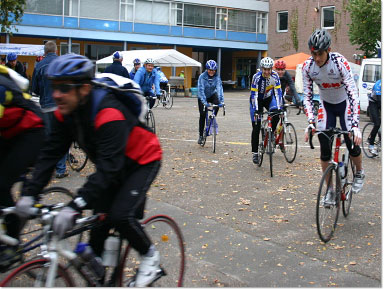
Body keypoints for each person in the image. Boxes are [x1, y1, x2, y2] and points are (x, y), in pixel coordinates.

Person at [14, 54, 163, 287]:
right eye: (54, 87)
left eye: (64, 88)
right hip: (112, 164)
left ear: (84, 88)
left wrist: (76, 206)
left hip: (141, 160)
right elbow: (49, 155)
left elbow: (108, 169)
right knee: (97, 232)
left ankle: (150, 258)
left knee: (120, 215)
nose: (56, 95)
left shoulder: (108, 112)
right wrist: (30, 193)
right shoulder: (66, 113)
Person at [303, 29, 365, 201]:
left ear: (328, 50)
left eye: (320, 53)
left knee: (352, 141)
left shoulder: (339, 63)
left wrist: (355, 125)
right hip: (326, 105)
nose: (317, 58)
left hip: (345, 103)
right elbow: (307, 96)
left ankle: (359, 172)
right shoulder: (308, 67)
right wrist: (310, 121)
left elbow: (353, 92)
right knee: (324, 149)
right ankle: (330, 190)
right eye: (313, 53)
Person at [0, 65, 45, 268]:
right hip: (9, 133)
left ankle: (13, 242)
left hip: (32, 132)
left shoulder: (1, 87)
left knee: (1, 184)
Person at [32, 41, 68, 178]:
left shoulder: (39, 65)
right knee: (62, 136)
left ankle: (47, 168)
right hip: (61, 105)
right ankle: (60, 169)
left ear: (45, 52)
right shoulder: (62, 64)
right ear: (56, 51)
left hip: (46, 106)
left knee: (48, 138)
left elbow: (34, 89)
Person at [249, 57, 283, 164]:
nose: (267, 71)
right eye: (265, 69)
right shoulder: (256, 77)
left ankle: (271, 132)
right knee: (256, 125)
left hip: (269, 99)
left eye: (269, 69)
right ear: (261, 68)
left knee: (276, 114)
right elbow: (253, 94)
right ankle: (255, 153)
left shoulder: (275, 76)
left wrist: (280, 108)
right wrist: (256, 110)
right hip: (257, 100)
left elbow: (278, 93)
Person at [197, 60, 224, 145]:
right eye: (210, 70)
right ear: (207, 69)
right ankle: (201, 135)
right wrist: (204, 102)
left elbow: (219, 89)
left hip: (212, 95)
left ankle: (211, 118)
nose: (211, 72)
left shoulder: (217, 77)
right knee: (202, 114)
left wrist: (221, 101)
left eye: (213, 70)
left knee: (217, 104)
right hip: (202, 96)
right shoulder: (202, 77)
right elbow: (201, 90)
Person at [367, 79, 381, 155]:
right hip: (374, 103)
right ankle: (371, 143)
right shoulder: (379, 85)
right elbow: (380, 101)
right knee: (377, 124)